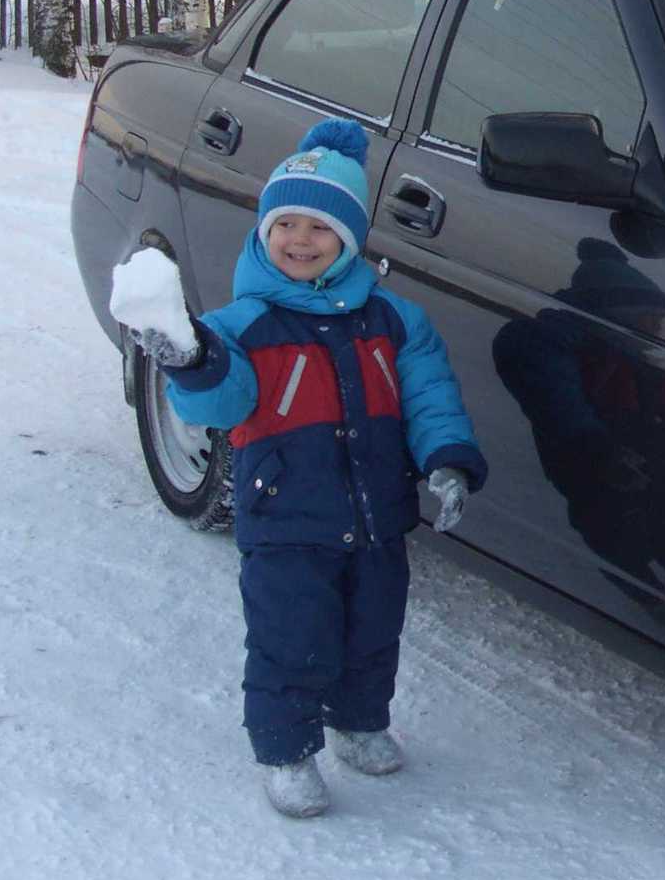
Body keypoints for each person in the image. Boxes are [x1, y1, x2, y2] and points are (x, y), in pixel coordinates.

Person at [114, 119, 487, 819]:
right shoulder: (243, 326)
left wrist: (447, 462)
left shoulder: (397, 320)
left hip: (376, 516)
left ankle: (357, 724)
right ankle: (285, 752)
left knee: (372, 632)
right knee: (291, 638)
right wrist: (188, 359)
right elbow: (220, 400)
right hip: (285, 516)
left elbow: (431, 396)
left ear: (347, 239)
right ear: (264, 232)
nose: (299, 240)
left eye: (318, 228)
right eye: (284, 223)